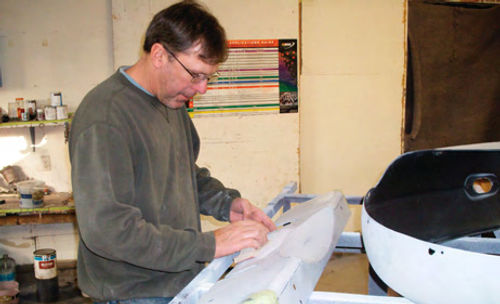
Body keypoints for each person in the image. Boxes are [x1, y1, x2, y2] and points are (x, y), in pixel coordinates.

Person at [69, 1, 276, 303]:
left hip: (178, 279)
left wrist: (227, 203)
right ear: (159, 55)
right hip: (136, 292)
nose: (202, 89)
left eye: (209, 77)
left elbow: (184, 172)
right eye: (195, 75)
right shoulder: (106, 117)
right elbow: (108, 231)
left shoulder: (171, 102)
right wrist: (208, 245)